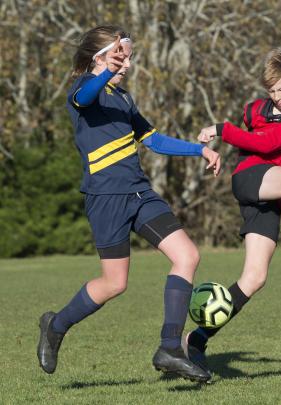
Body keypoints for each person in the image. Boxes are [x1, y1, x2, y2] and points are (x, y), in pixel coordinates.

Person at [36, 25, 221, 383]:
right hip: (105, 198)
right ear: (99, 58)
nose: (126, 65)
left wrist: (199, 149)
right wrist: (106, 68)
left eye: (128, 57)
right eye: (119, 56)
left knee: (188, 256)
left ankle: (169, 348)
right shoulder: (81, 92)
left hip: (140, 193)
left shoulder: (124, 99)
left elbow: (154, 140)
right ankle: (55, 325)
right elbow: (87, 93)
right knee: (114, 284)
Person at [184, 48, 281, 375]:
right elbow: (256, 147)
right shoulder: (253, 109)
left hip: (273, 193)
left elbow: (269, 142)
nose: (276, 97)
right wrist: (226, 131)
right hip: (250, 179)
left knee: (254, 278)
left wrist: (224, 129)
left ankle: (196, 340)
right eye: (271, 91)